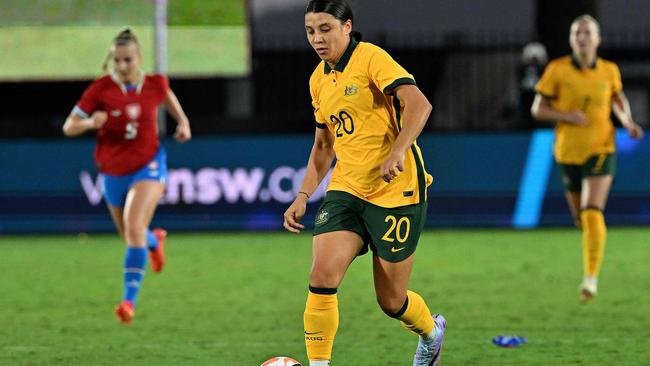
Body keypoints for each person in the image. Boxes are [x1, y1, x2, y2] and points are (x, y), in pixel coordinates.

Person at [283, 1, 445, 365]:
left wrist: (398, 152)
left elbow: (419, 105)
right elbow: (324, 146)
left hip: (397, 190)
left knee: (391, 301)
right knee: (321, 273)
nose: (317, 39)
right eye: (310, 31)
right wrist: (303, 194)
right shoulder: (318, 79)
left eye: (325, 29)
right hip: (347, 190)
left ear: (346, 27)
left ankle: (431, 335)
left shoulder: (371, 57)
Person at [62, 28, 191, 323]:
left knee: (133, 226)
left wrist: (183, 122)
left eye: (127, 60)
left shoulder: (155, 83)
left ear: (139, 58)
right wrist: (90, 123)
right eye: (117, 60)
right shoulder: (100, 89)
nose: (121, 66)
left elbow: (167, 97)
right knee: (131, 236)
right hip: (112, 171)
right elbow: (68, 127)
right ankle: (155, 242)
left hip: (149, 165)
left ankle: (128, 302)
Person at [531, 15, 643, 302]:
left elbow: (617, 99)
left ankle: (590, 279)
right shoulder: (557, 70)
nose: (582, 37)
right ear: (571, 39)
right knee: (582, 220)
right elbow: (538, 109)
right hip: (567, 151)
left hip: (601, 148)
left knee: (592, 210)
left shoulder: (609, 71)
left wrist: (627, 121)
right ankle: (595, 240)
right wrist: (566, 116)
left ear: (598, 38)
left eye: (587, 33)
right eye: (577, 33)